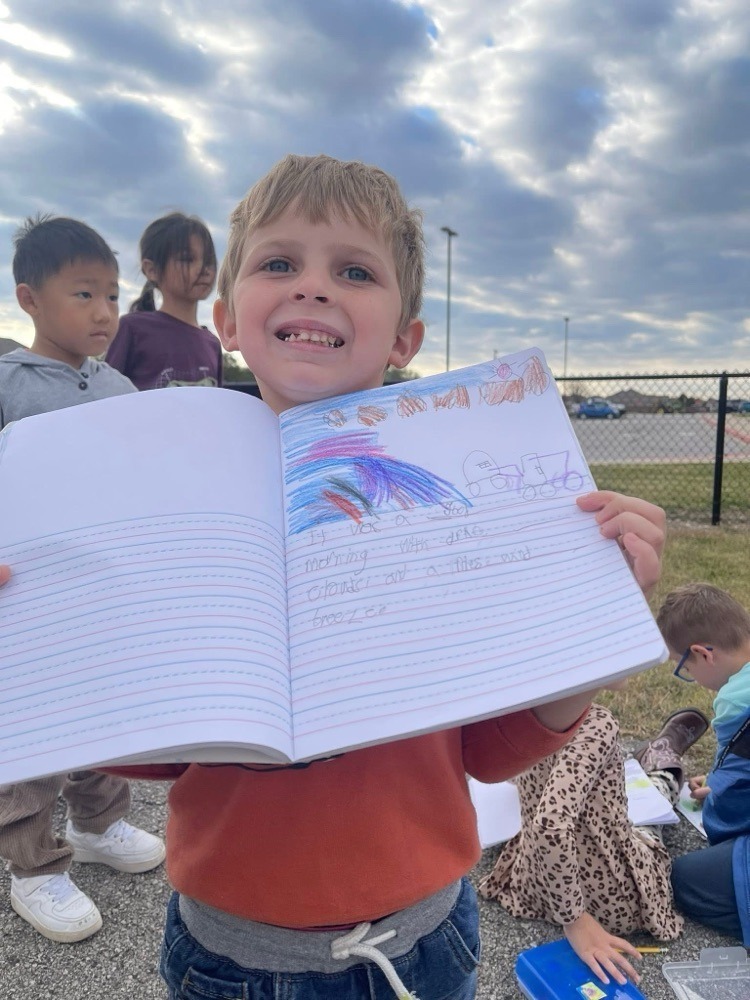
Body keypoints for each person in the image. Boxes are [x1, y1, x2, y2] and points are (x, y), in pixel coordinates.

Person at [70, 155, 660, 997]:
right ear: (230, 319)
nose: (313, 287)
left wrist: (591, 633)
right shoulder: (180, 507)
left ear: (405, 337)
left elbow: (489, 755)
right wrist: (61, 632)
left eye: (353, 270)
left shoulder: (449, 508)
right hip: (234, 958)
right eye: (280, 263)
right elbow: (163, 761)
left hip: (426, 942)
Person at [0, 215, 166, 943]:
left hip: (101, 591)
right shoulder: (8, 384)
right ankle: (33, 866)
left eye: (112, 295)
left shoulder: (120, 386)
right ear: (29, 298)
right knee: (30, 734)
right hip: (25, 594)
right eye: (84, 294)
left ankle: (99, 825)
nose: (104, 312)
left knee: (102, 713)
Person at [479, 700, 710, 987]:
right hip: (610, 900)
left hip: (534, 881)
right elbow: (550, 825)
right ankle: (665, 763)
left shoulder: (523, 706)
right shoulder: (595, 722)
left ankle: (659, 758)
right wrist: (574, 920)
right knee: (651, 812)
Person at [650, 582, 750, 945]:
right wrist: (724, 779)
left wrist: (722, 795)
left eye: (685, 669)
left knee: (682, 879)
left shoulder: (738, 705)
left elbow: (732, 816)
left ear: (702, 654)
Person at [105, 211, 222, 389]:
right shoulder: (133, 328)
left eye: (208, 260)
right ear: (151, 270)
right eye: (187, 259)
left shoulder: (212, 343)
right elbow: (106, 395)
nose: (204, 269)